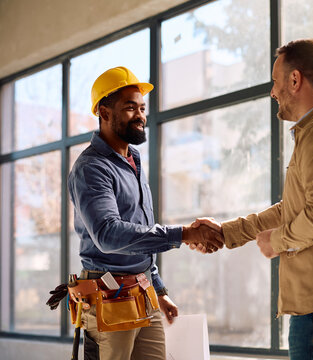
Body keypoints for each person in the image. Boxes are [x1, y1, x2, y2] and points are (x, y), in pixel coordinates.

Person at [193, 39, 313, 359]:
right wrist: (227, 232)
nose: (272, 91)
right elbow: (293, 209)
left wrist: (276, 242)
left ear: (295, 80)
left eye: (275, 80)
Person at [67, 66, 223, 360]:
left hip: (143, 296)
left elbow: (140, 233)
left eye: (142, 108)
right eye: (129, 108)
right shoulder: (92, 168)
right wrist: (185, 234)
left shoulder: (133, 161)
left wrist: (159, 290)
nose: (140, 116)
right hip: (108, 300)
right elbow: (109, 235)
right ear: (104, 112)